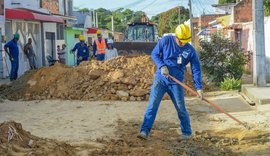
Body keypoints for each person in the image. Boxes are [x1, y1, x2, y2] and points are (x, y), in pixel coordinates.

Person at [137, 24, 203, 140]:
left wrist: (199, 88)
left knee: (181, 108)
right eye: (181, 41)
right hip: (161, 80)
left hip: (176, 82)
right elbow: (155, 54)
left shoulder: (190, 50)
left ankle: (187, 133)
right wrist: (162, 66)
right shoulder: (166, 41)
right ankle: (144, 131)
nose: (183, 44)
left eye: (185, 41)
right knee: (152, 105)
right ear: (176, 37)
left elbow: (196, 69)